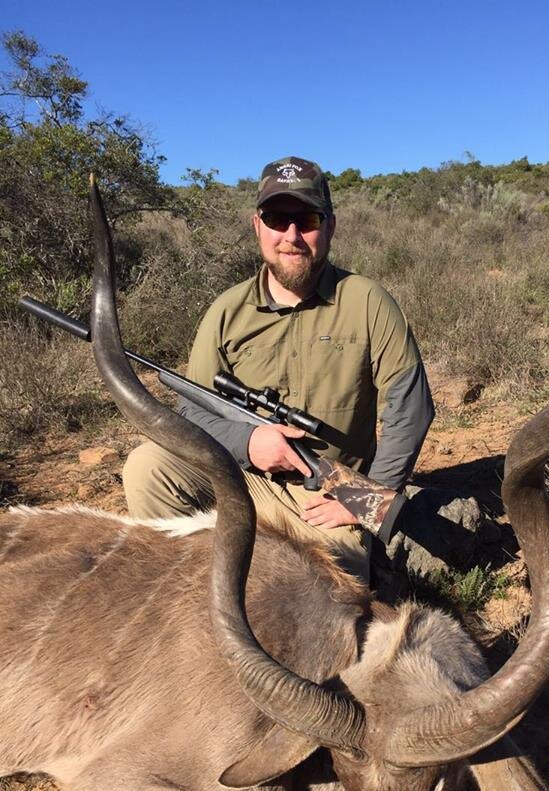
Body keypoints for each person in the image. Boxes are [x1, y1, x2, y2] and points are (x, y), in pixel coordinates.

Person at [123, 156, 434, 581]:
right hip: (239, 480)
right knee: (148, 468)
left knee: (326, 595)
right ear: (257, 226)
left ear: (329, 226)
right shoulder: (226, 311)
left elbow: (410, 408)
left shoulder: (366, 300)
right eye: (276, 218)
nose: (291, 235)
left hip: (324, 496)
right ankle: (189, 595)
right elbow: (192, 411)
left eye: (306, 219)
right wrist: (250, 441)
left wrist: (366, 501)